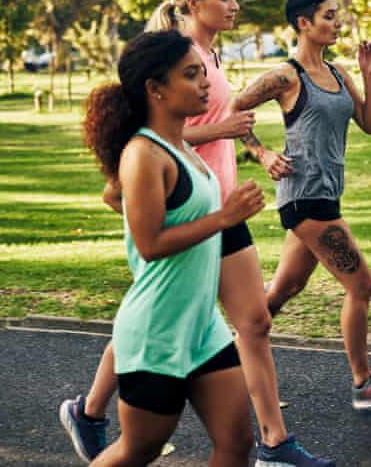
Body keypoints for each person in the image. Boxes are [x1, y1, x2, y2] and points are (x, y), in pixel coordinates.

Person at [61, 0, 334, 467]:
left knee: (248, 321)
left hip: (220, 202)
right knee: (164, 314)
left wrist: (257, 150)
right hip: (190, 209)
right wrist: (222, 135)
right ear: (194, 1)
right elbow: (162, 132)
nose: (235, 5)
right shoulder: (178, 57)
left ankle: (272, 441)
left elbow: (224, 121)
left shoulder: (207, 56)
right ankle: (95, 411)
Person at [78, 29, 263, 466]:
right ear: (155, 89)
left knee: (238, 446)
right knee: (136, 450)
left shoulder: (181, 146)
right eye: (191, 75)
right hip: (156, 331)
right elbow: (150, 244)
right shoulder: (144, 154)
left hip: (201, 326)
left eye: (203, 73)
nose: (204, 84)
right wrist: (224, 217)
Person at [233, 0, 371, 409]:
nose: (337, 23)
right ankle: (363, 383)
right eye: (328, 16)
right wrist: (261, 153)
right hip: (304, 198)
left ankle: (224, 359)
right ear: (303, 23)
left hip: (326, 196)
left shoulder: (337, 74)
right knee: (361, 285)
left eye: (337, 15)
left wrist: (368, 73)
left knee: (284, 289)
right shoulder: (286, 75)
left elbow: (369, 124)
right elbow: (234, 108)